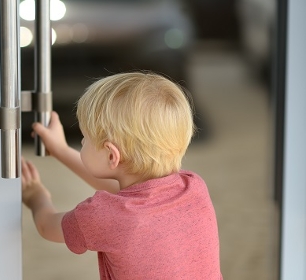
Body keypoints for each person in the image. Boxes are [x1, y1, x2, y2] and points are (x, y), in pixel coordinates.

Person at [21, 72, 223, 279]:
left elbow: (47, 226)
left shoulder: (100, 216)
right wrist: (61, 150)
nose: (82, 143)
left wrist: (36, 196)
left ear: (111, 155)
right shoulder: (194, 187)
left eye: (85, 138)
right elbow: (126, 197)